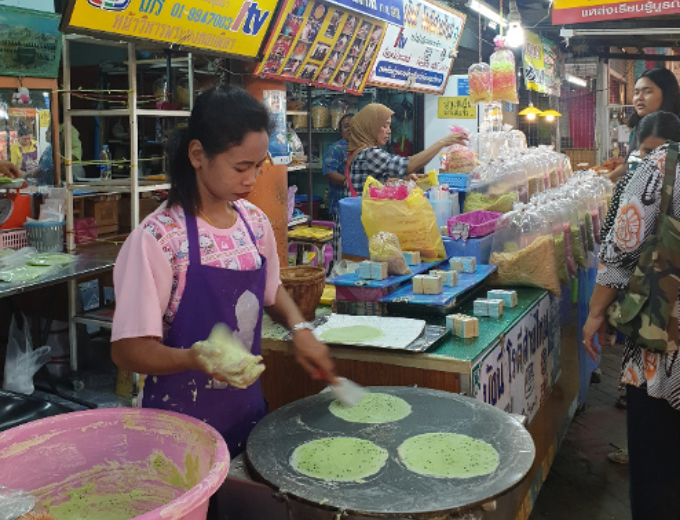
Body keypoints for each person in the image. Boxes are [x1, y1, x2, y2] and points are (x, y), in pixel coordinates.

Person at [111, 86, 337, 457]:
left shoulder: (254, 224)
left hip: (245, 415)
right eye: (240, 167)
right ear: (198, 155)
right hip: (177, 429)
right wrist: (194, 358)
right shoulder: (159, 238)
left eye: (258, 166)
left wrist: (300, 329)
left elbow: (271, 290)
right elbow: (128, 349)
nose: (252, 179)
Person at [583, 111, 680, 519]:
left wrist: (595, 313)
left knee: (658, 459)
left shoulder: (662, 164)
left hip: (665, 338)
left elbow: (622, 248)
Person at [346, 103, 466, 197]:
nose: (389, 131)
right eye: (384, 126)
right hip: (362, 225)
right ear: (370, 127)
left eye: (389, 126)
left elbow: (372, 183)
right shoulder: (370, 154)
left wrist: (402, 180)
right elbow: (409, 165)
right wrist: (443, 143)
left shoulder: (358, 152)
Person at [324, 114, 352, 264]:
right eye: (346, 126)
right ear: (341, 131)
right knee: (340, 247)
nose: (350, 129)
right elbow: (329, 172)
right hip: (339, 204)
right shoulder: (336, 148)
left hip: (357, 206)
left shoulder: (362, 148)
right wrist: (349, 183)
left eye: (353, 126)